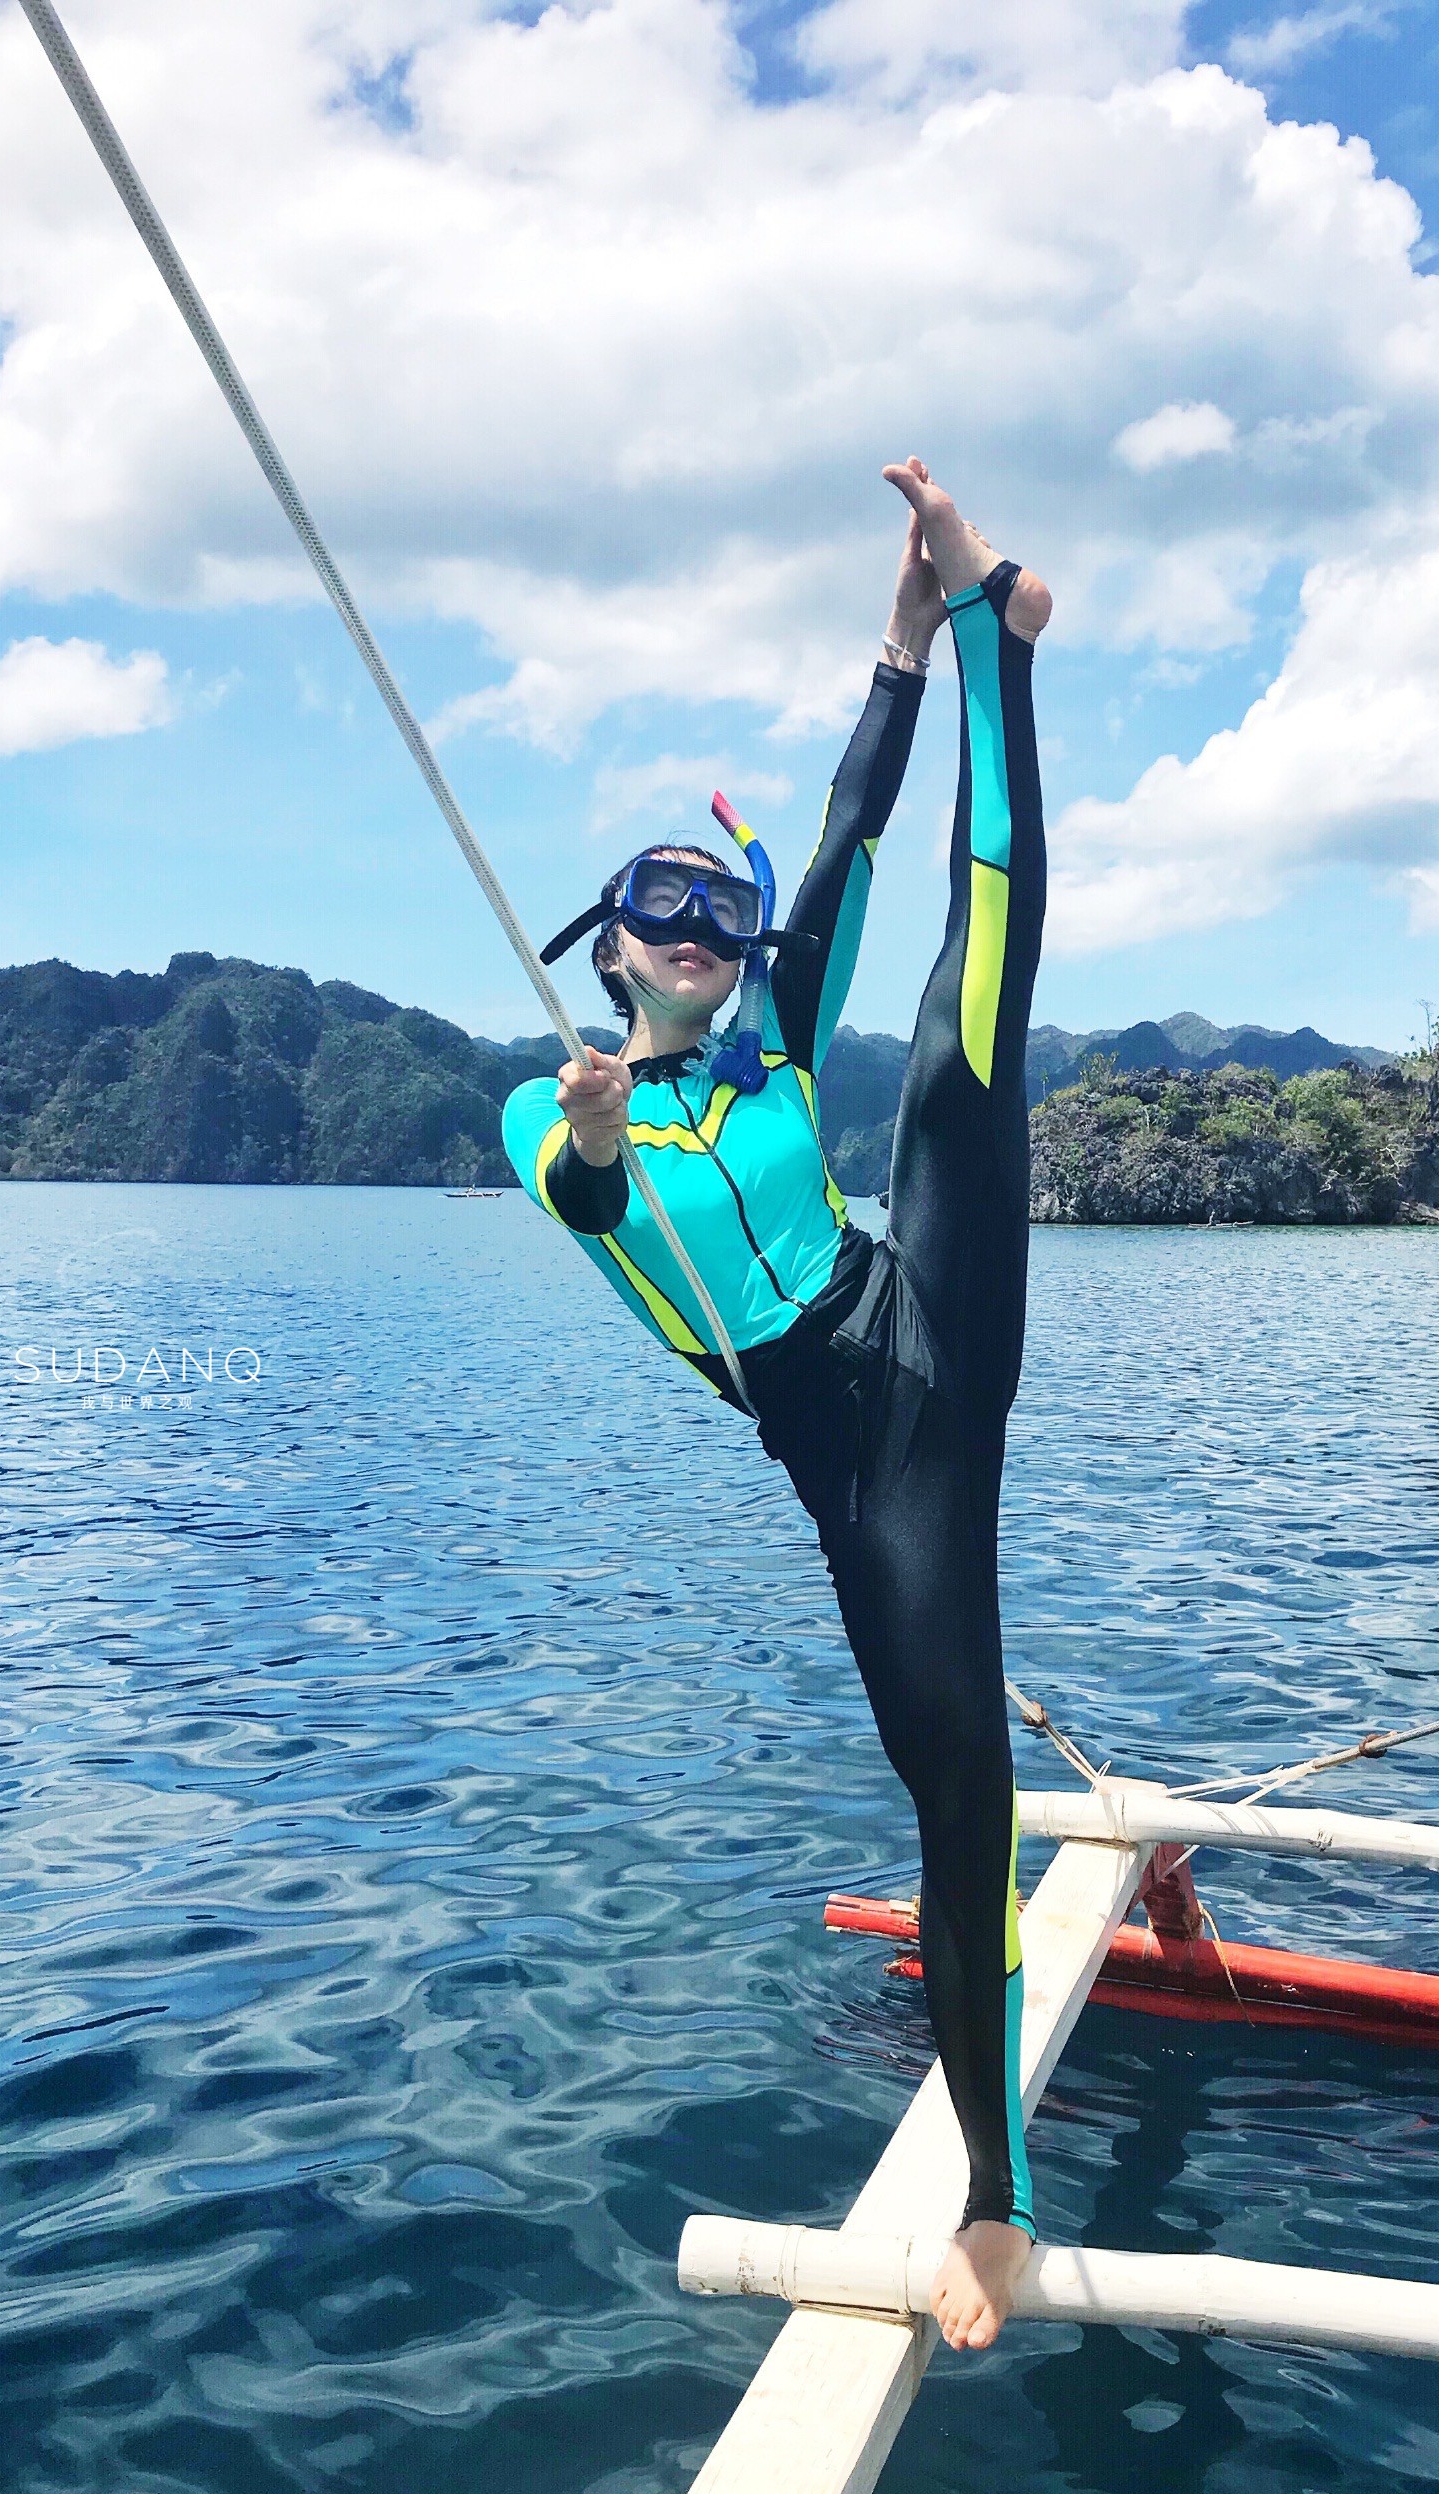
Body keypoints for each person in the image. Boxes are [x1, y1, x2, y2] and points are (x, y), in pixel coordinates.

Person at [502, 462, 1052, 2347]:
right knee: (960, 1792)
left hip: (930, 1311)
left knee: (969, 1026)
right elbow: (589, 1206)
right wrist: (597, 1130)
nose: (706, 932)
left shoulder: (770, 1049)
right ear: (611, 943)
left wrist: (907, 644)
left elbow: (847, 829)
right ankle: (995, 2202)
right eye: (666, 912)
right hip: (864, 1463)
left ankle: (1002, 640)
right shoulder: (552, 1107)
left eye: (721, 915)